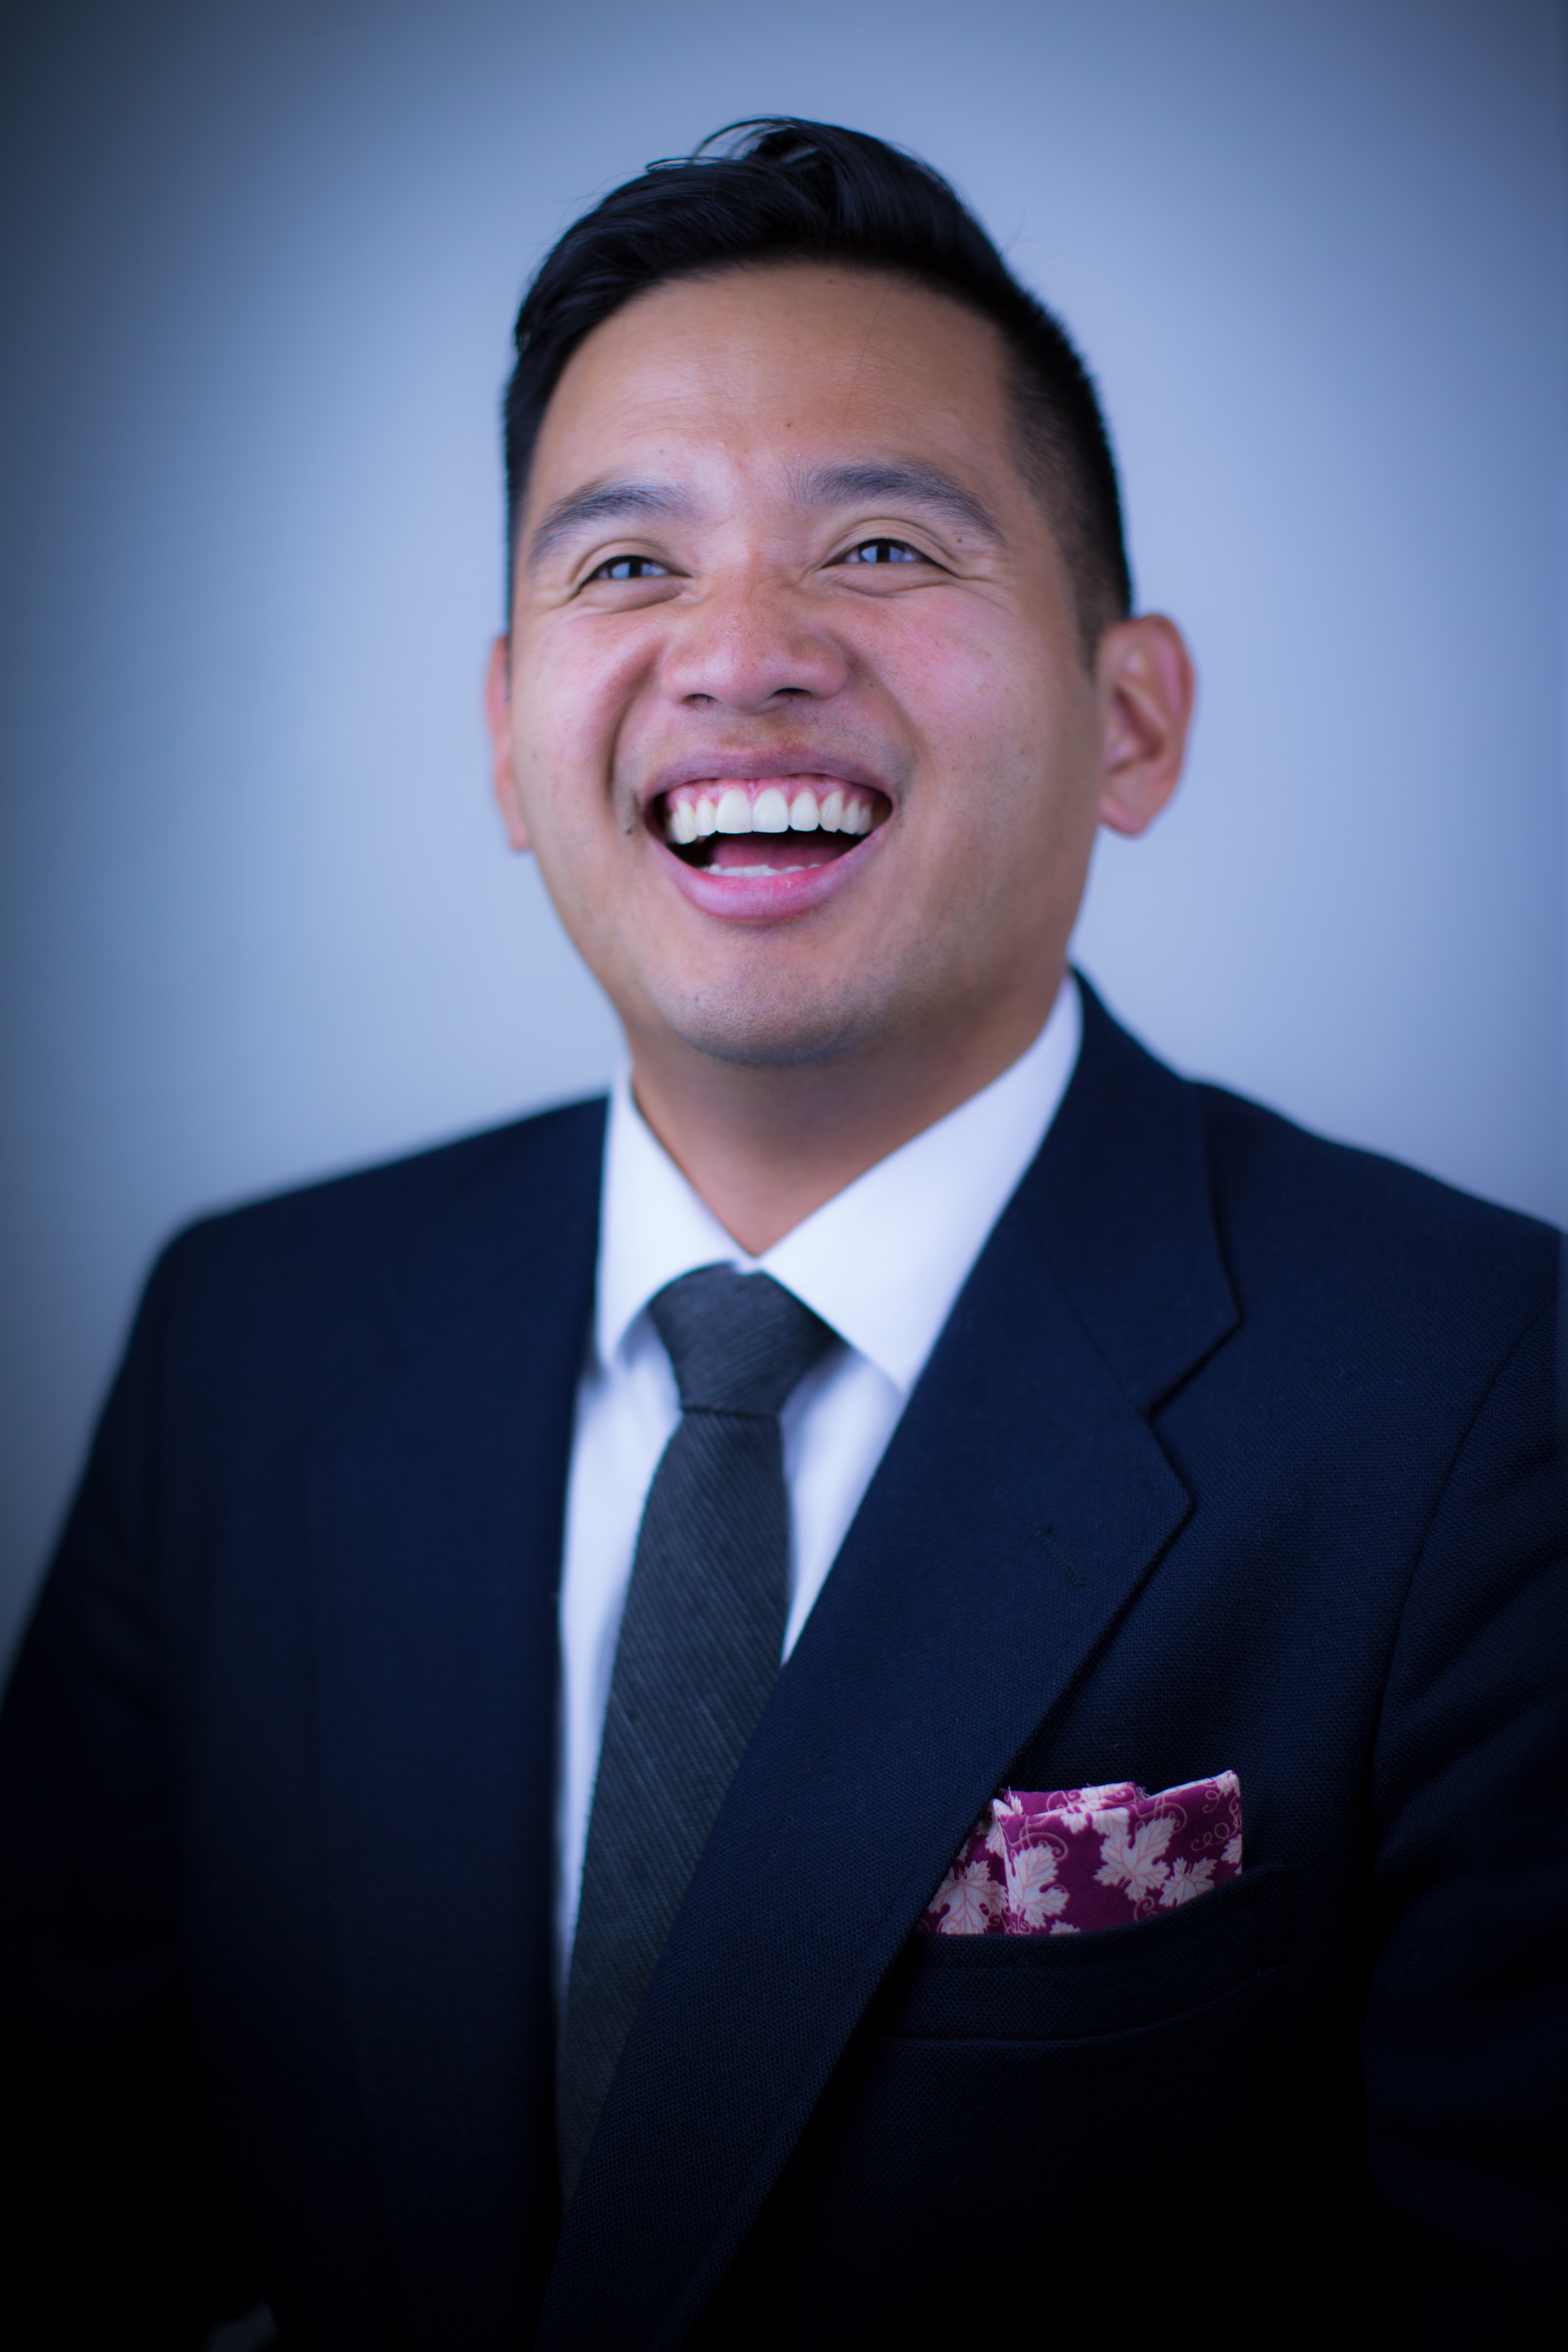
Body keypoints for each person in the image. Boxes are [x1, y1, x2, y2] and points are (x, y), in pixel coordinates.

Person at [0, 118, 1561, 2351]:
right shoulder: (248, 1344)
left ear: (1133, 718)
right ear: (509, 746)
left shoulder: (1475, 1397)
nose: (740, 656)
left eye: (884, 545)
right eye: (629, 565)